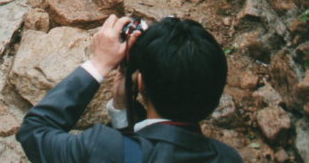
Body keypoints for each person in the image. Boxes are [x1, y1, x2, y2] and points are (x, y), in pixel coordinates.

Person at [17, 14, 242, 162]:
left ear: (141, 83)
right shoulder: (228, 158)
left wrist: (100, 63)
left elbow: (34, 131)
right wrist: (123, 114)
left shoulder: (102, 148)